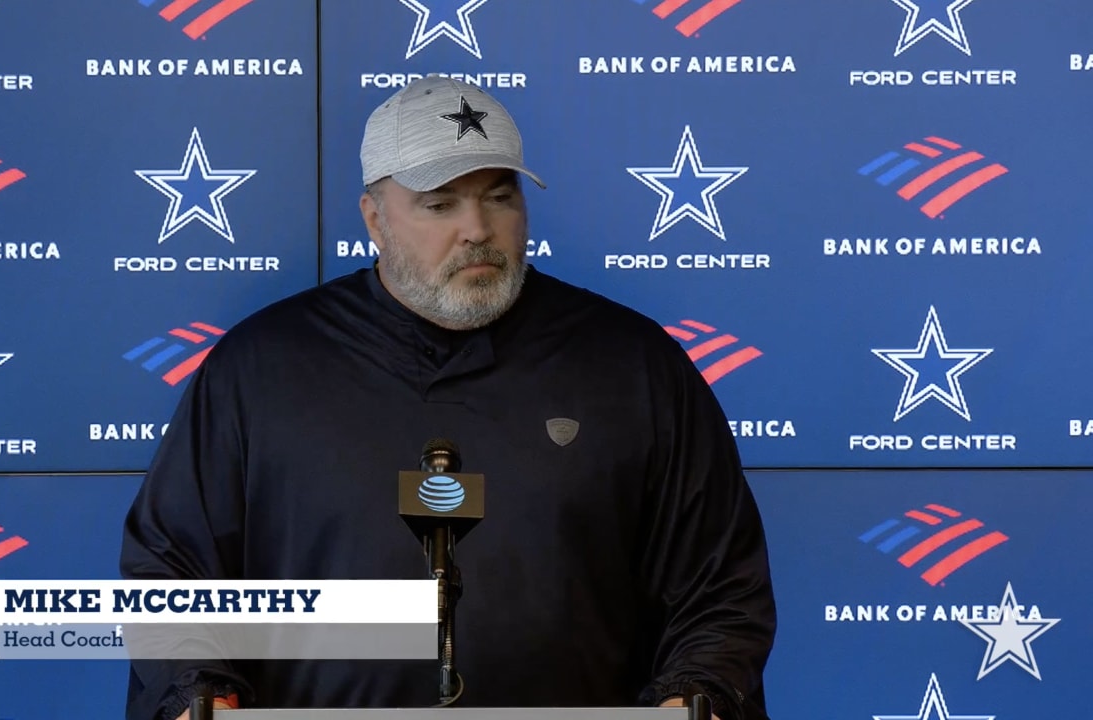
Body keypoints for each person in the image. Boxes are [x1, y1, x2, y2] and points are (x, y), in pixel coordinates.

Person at [119, 75, 777, 720]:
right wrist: (197, 696)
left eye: (500, 196)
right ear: (374, 218)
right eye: (440, 204)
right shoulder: (261, 368)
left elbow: (719, 588)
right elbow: (173, 572)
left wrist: (699, 695)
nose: (478, 229)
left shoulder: (633, 365)